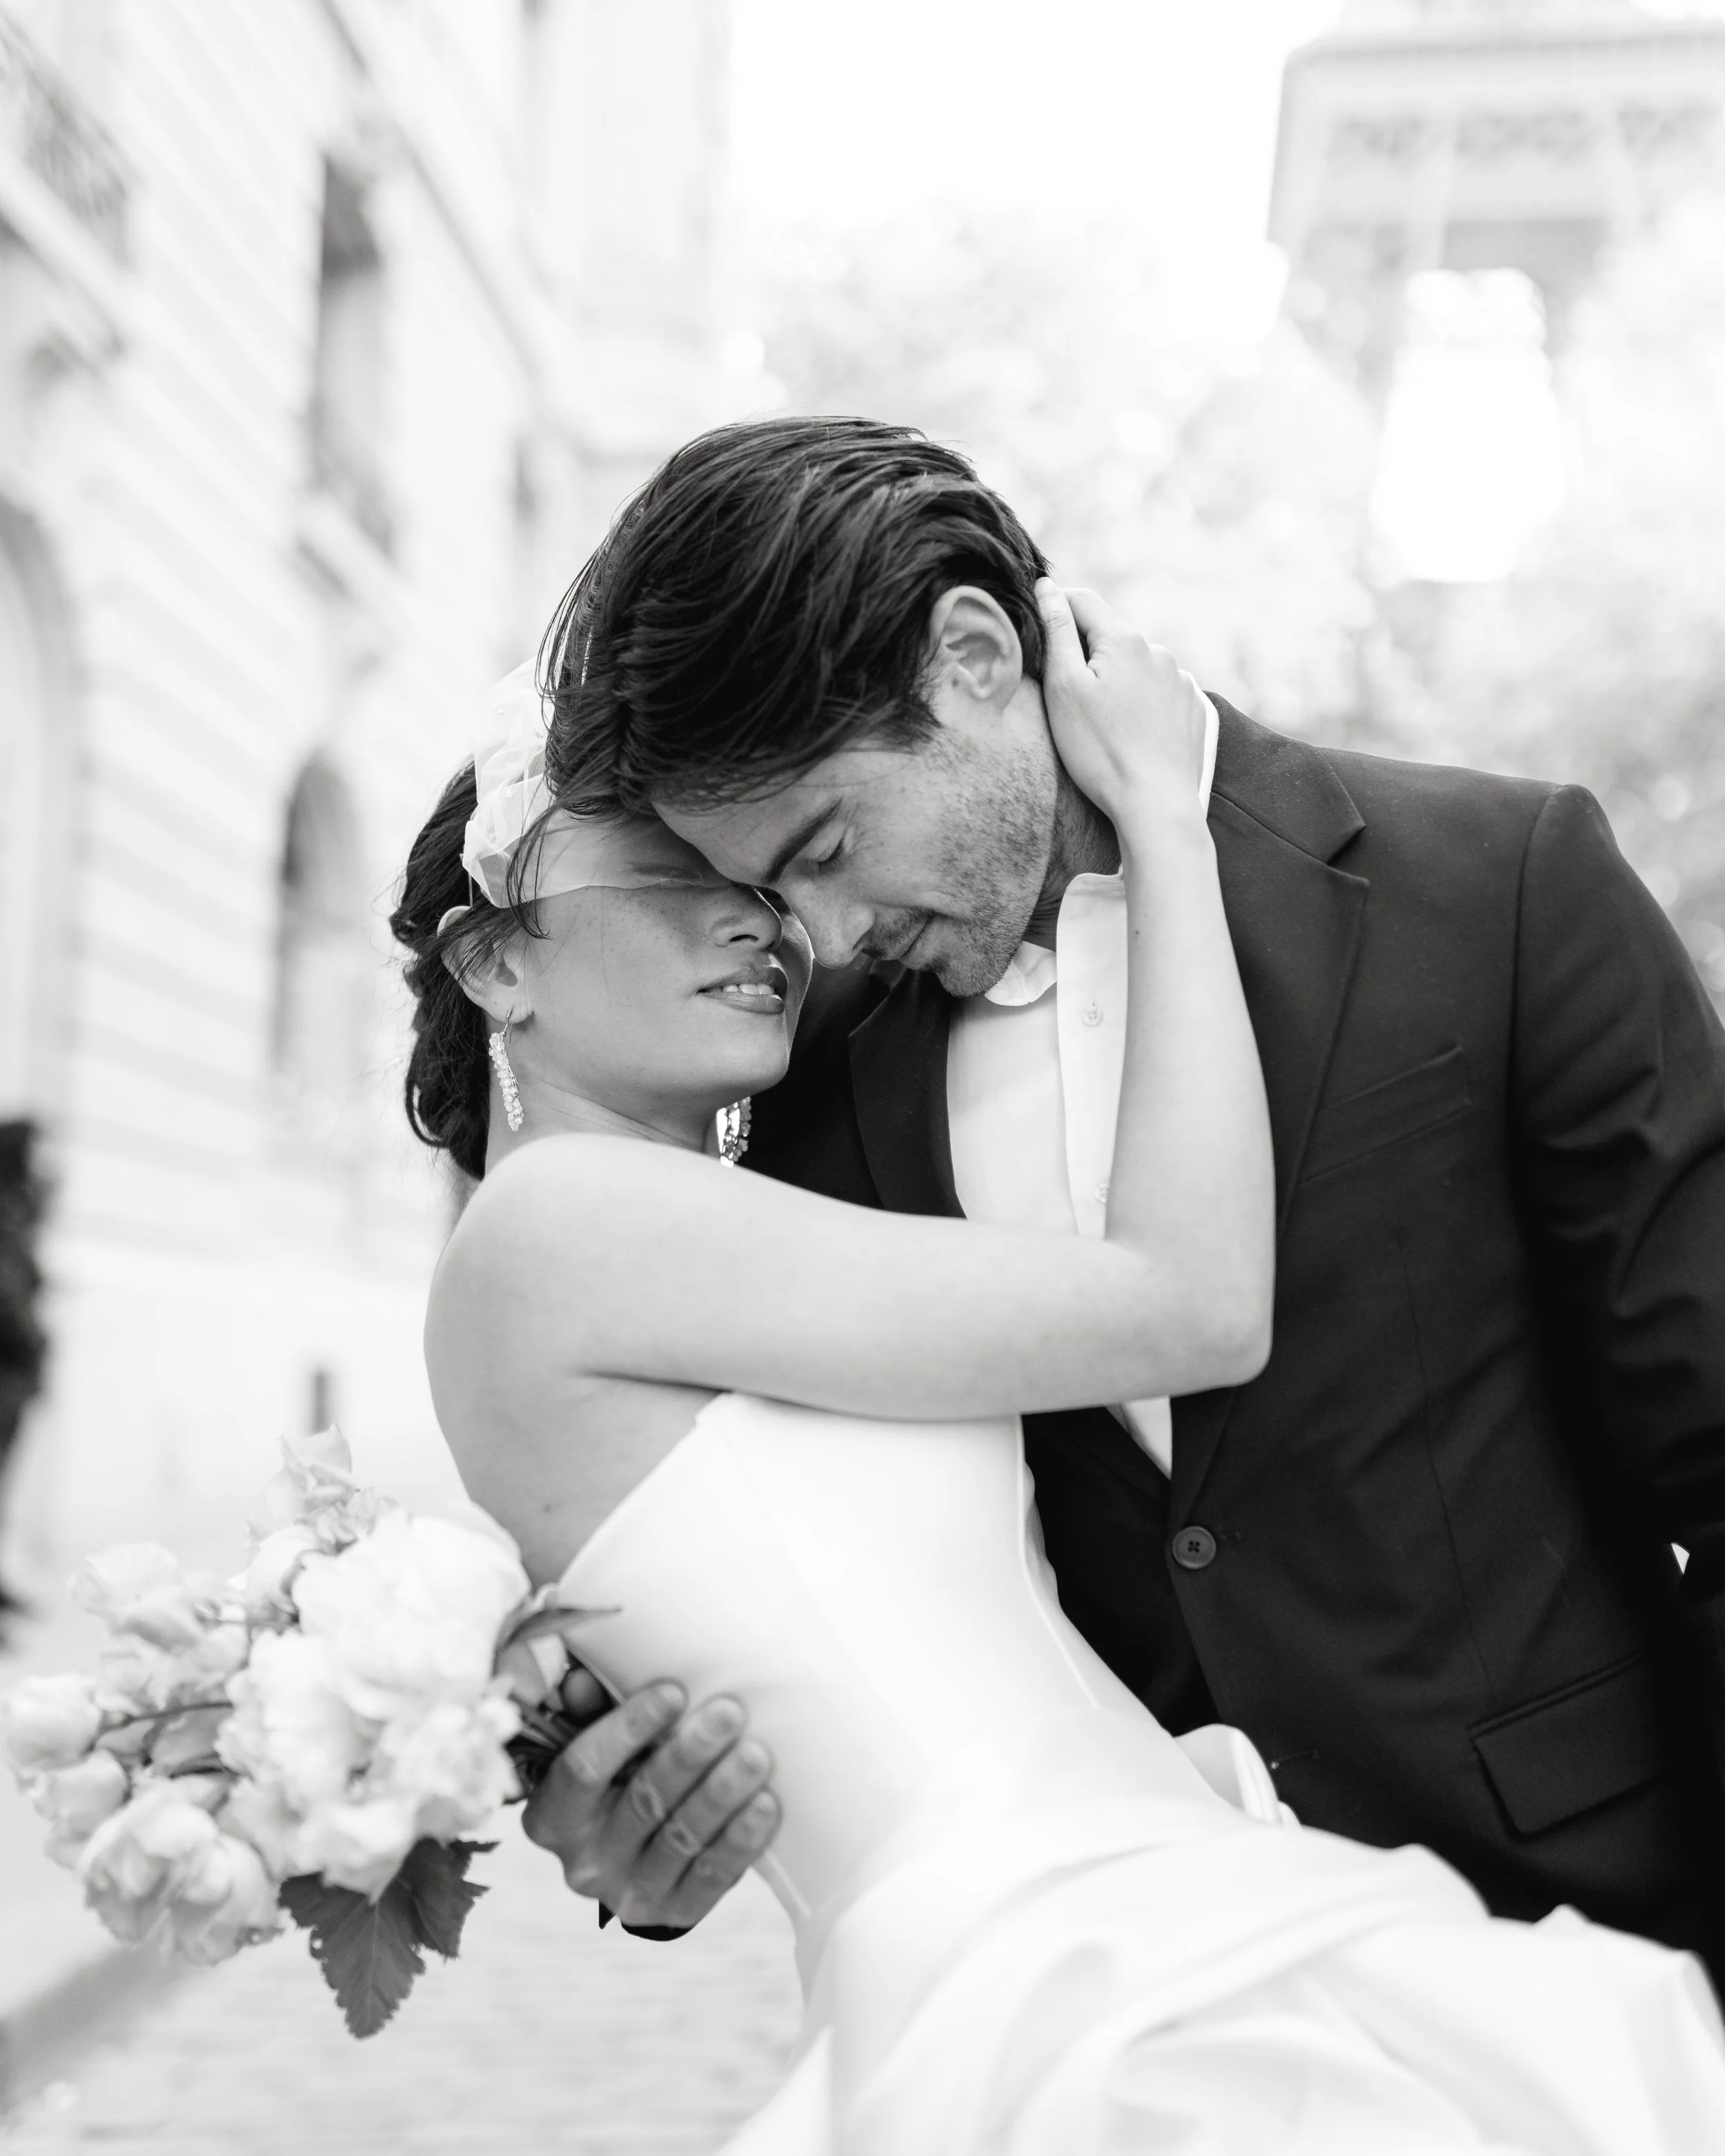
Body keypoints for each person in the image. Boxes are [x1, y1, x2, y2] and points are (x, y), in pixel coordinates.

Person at [391, 607, 1725, 2152]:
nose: (778, 924)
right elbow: (1184, 1303)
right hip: (1059, 1981)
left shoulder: (1491, 878)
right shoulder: (607, 1210)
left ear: (973, 662)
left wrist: (602, 1774)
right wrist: (1167, 822)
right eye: (683, 877)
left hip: (1282, 1898)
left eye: (767, 874)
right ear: (493, 958)